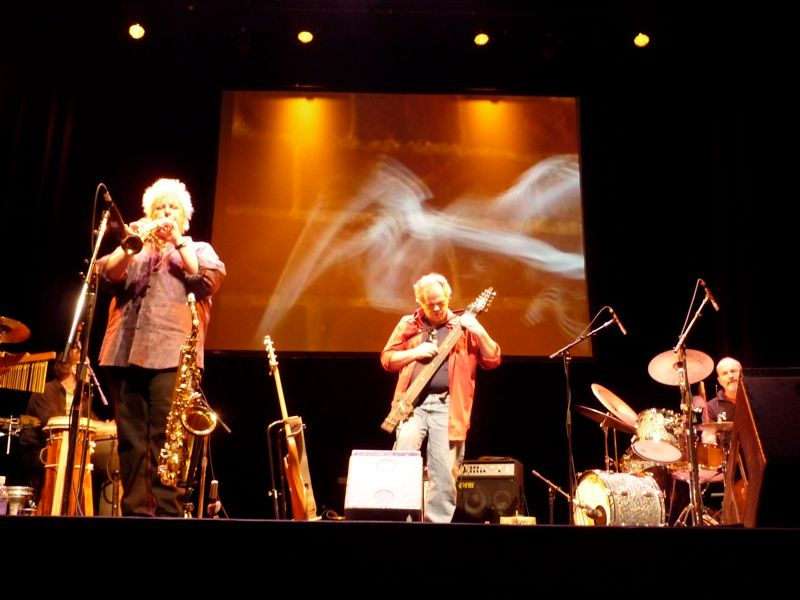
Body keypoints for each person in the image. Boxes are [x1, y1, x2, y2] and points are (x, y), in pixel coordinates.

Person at [96, 177, 225, 517]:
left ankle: (168, 515)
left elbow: (205, 280)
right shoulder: (135, 247)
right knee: (131, 443)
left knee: (167, 442)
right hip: (122, 352)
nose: (165, 213)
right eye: (159, 208)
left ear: (184, 218)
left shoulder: (198, 249)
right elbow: (106, 275)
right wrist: (129, 245)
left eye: (172, 208)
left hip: (173, 356)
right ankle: (135, 514)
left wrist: (177, 241)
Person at [380, 273, 501, 523]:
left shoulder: (463, 326)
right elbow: (388, 360)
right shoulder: (409, 324)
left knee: (444, 473)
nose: (436, 308)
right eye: (430, 304)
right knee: (402, 459)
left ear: (448, 297)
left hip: (447, 407)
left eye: (441, 302)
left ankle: (436, 527)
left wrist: (479, 330)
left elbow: (492, 359)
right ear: (420, 302)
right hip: (412, 406)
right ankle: (400, 520)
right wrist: (415, 352)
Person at [16, 348, 115, 515]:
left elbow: (91, 425)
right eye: (88, 367)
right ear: (75, 369)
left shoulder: (82, 398)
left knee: (112, 455)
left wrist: (108, 427)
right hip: (41, 453)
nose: (91, 373)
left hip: (69, 450)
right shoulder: (45, 392)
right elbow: (58, 426)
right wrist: (103, 426)